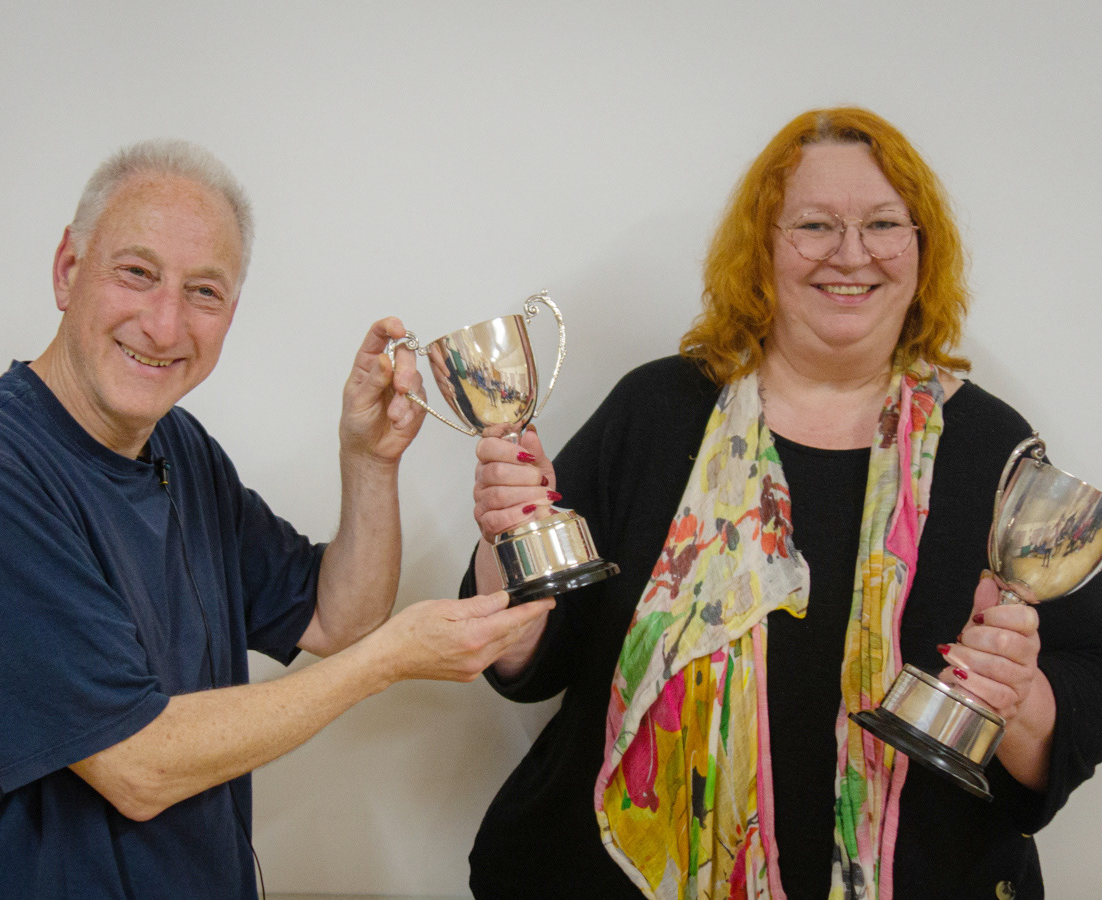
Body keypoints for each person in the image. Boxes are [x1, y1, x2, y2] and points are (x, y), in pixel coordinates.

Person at [461, 108, 1102, 899]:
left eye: (882, 224)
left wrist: (1020, 697)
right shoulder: (655, 412)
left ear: (920, 249)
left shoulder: (989, 445)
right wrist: (504, 531)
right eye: (813, 225)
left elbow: (1084, 683)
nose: (850, 254)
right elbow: (526, 659)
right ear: (761, 249)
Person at [0, 139, 553, 899]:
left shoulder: (177, 447)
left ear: (231, 314)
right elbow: (135, 765)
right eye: (136, 273)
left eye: (203, 292)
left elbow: (337, 617)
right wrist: (389, 662)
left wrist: (369, 461)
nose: (164, 325)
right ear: (67, 270)